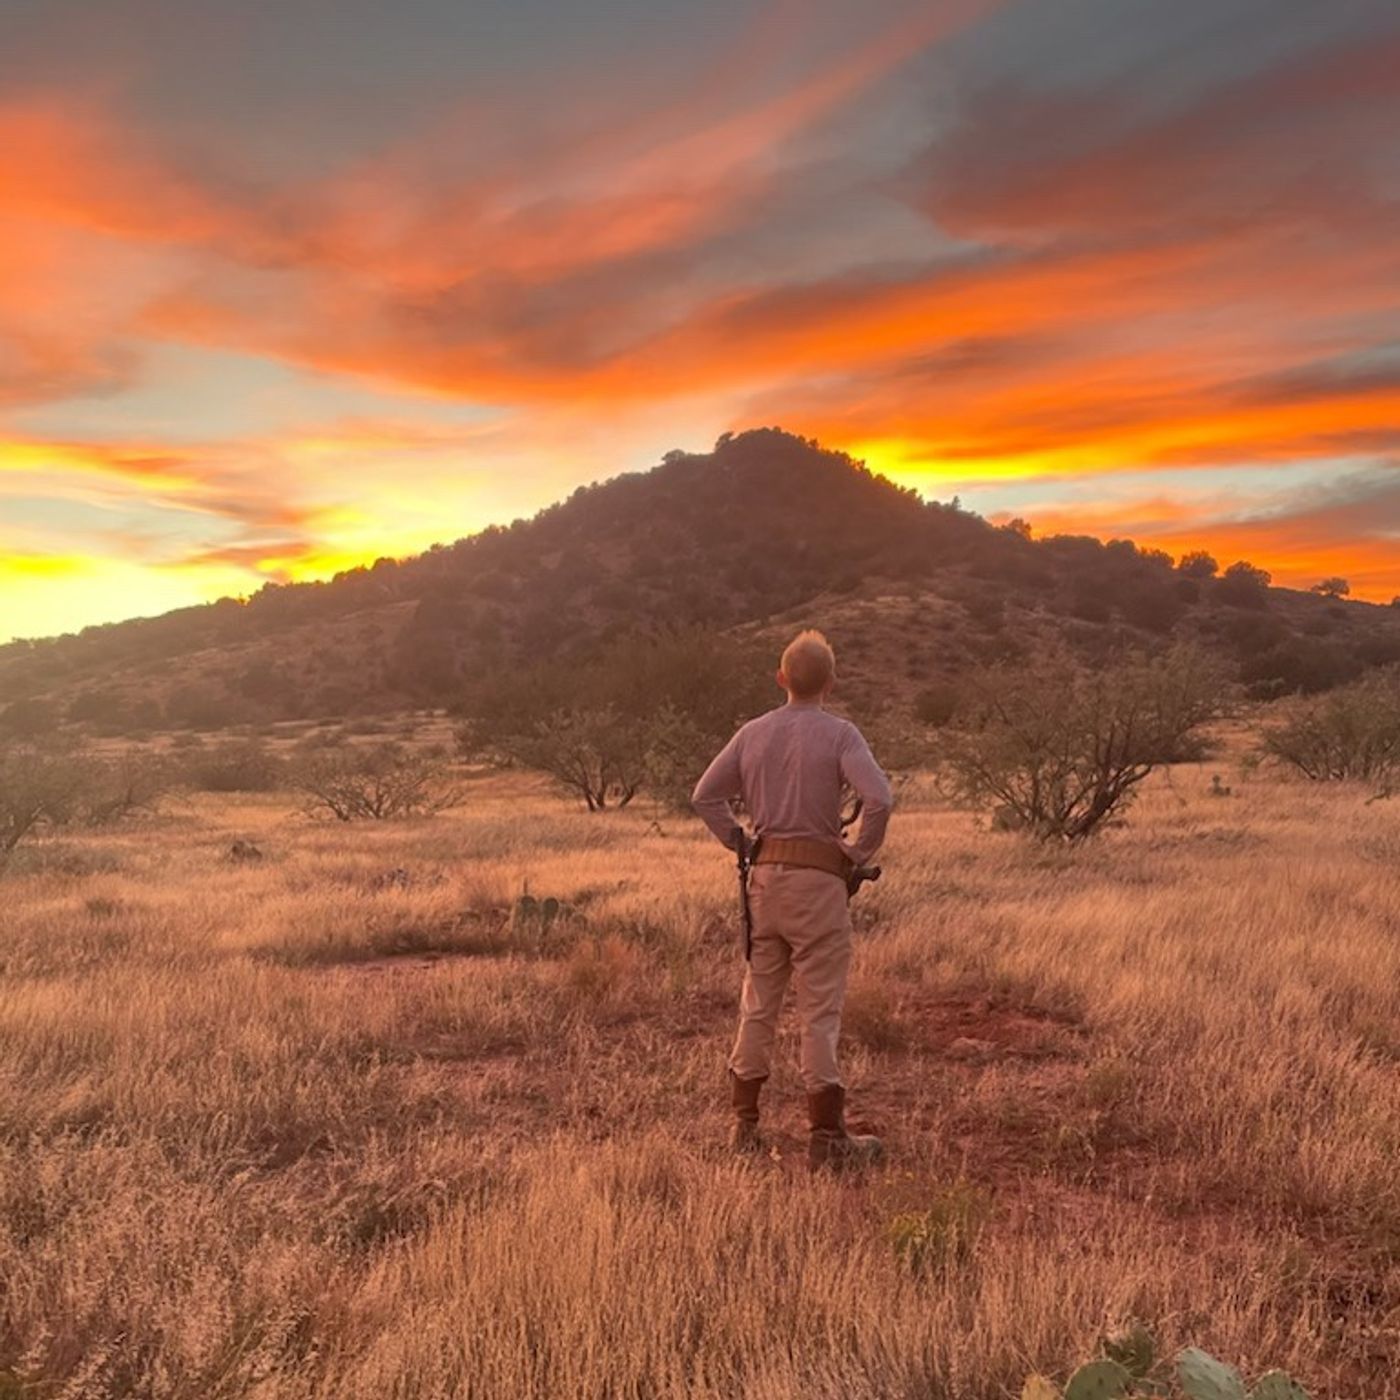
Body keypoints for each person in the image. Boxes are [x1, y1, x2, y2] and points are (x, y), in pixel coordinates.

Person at [692, 629, 892, 1170]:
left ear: (781, 679)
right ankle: (827, 1137)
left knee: (759, 1002)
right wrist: (855, 853)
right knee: (819, 1011)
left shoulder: (752, 734)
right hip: (819, 886)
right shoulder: (842, 734)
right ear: (831, 681)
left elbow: (704, 795)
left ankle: (744, 1126)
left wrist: (742, 842)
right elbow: (879, 798)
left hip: (765, 881)